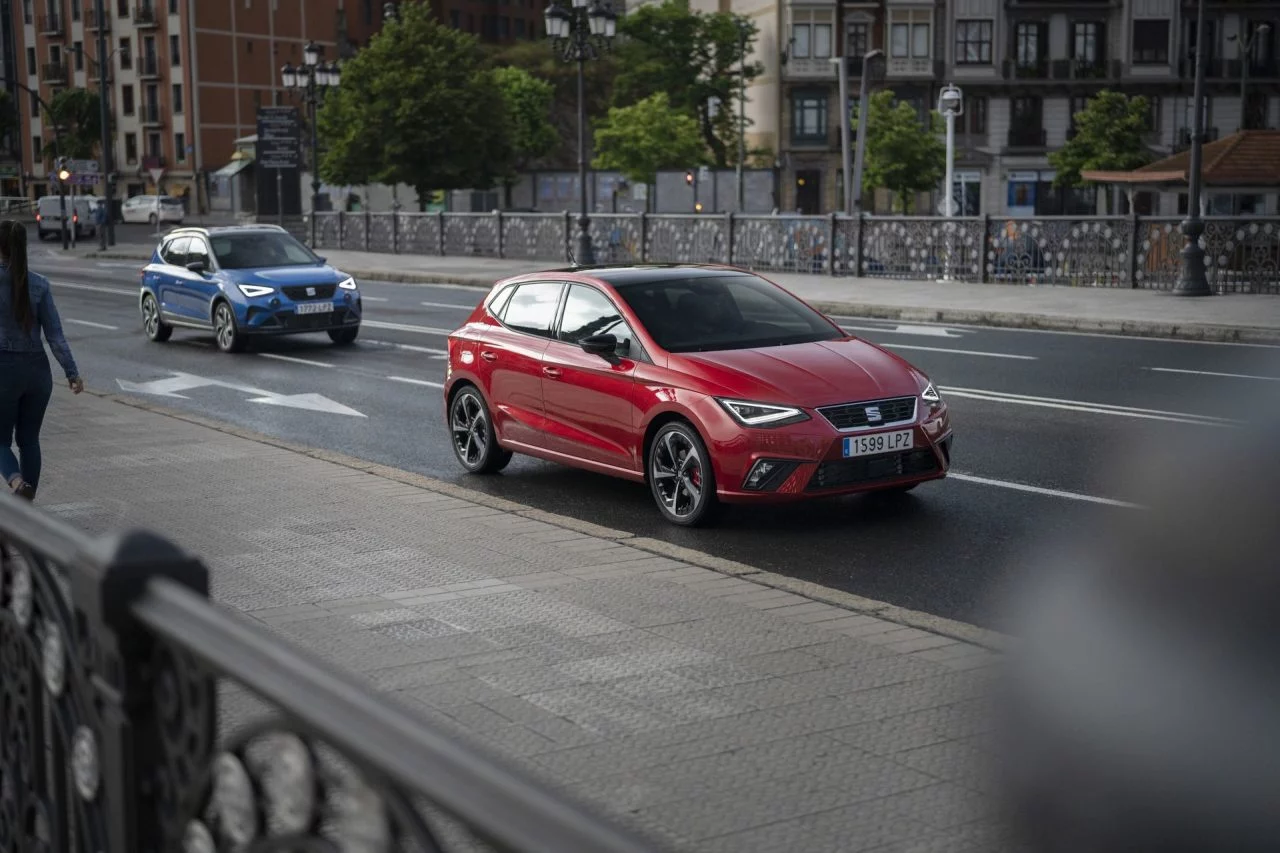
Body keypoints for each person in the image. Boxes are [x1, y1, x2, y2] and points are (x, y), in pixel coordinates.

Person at [0, 219, 83, 501]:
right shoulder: (40, 285)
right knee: (29, 440)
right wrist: (72, 373)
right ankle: (27, 502)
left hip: (4, 372)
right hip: (38, 373)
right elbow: (55, 337)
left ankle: (16, 483)